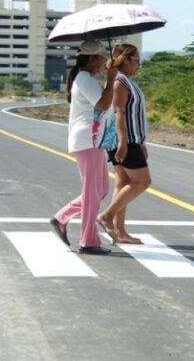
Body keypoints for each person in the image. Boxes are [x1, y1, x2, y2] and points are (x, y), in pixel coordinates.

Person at [50, 40, 118, 255]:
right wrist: (111, 78)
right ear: (91, 59)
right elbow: (103, 104)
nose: (103, 63)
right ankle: (88, 241)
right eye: (101, 58)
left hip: (93, 139)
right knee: (92, 192)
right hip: (87, 139)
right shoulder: (84, 79)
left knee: (102, 189)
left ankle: (61, 217)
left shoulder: (86, 78)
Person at [97, 43, 151, 244]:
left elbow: (133, 114)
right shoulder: (119, 82)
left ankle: (120, 232)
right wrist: (123, 142)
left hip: (132, 139)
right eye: (137, 60)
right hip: (124, 141)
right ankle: (106, 216)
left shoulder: (126, 80)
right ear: (126, 60)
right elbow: (119, 112)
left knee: (123, 184)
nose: (139, 65)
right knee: (142, 181)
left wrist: (141, 141)